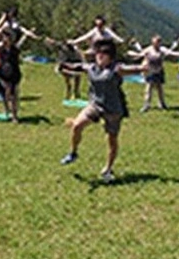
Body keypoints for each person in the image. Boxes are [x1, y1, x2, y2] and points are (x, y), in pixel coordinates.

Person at [59, 38, 141, 182]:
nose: (100, 57)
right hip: (95, 105)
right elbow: (78, 67)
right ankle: (73, 153)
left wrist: (145, 66)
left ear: (110, 57)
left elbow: (134, 69)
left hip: (113, 109)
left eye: (103, 55)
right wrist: (64, 65)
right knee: (77, 125)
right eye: (98, 55)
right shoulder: (92, 68)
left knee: (111, 139)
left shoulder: (117, 69)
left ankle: (108, 169)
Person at [127, 35, 179, 112]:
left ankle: (162, 104)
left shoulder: (162, 49)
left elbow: (171, 53)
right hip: (150, 72)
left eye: (158, 42)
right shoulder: (149, 49)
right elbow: (140, 54)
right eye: (155, 42)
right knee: (148, 89)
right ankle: (146, 105)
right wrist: (133, 54)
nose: (156, 44)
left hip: (159, 71)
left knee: (159, 88)